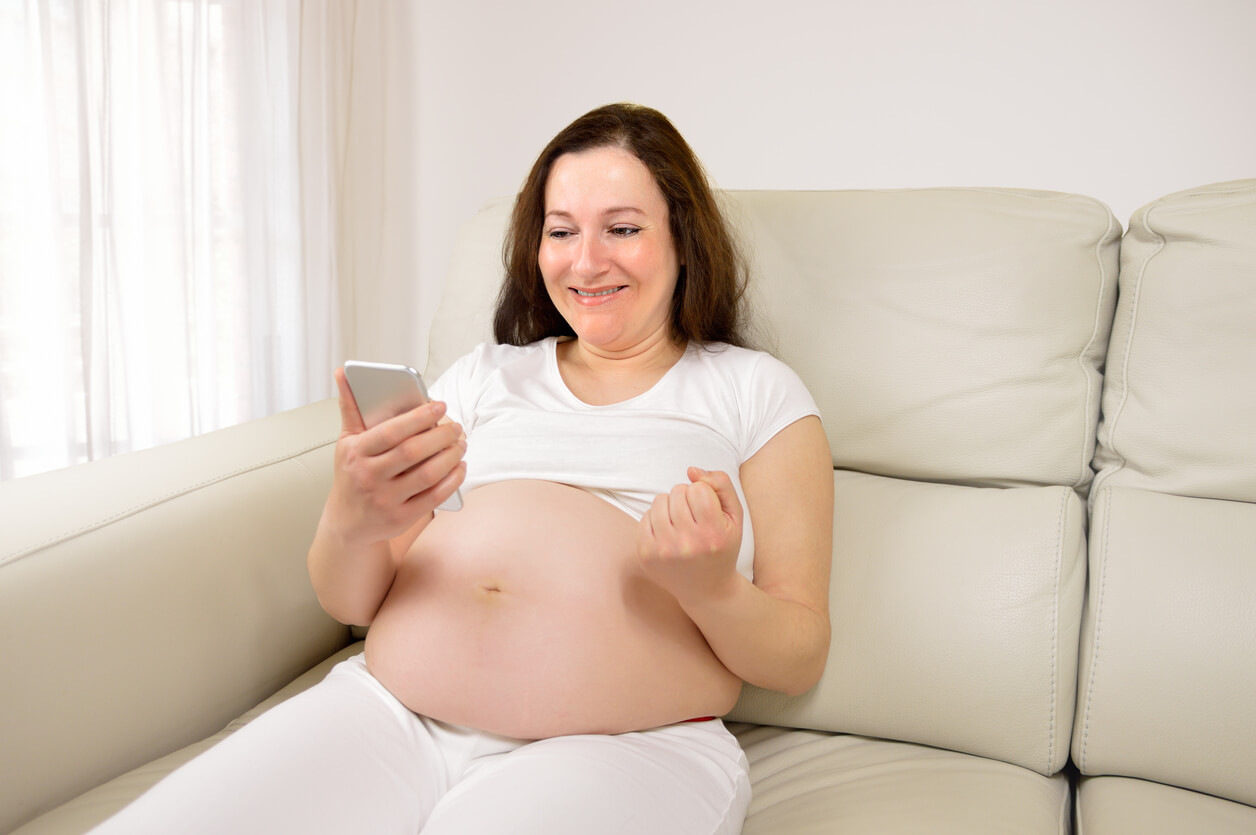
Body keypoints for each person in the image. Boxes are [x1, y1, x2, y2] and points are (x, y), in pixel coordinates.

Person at [91, 103, 833, 834]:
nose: (585, 260)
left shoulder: (755, 391)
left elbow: (799, 653)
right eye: (561, 231)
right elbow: (351, 599)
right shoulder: (482, 377)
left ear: (682, 239)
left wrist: (710, 589)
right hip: (388, 712)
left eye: (623, 229)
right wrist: (353, 518)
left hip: (624, 745)